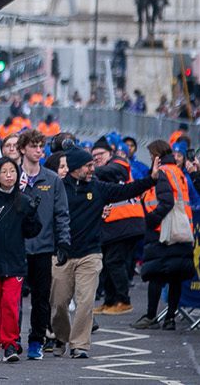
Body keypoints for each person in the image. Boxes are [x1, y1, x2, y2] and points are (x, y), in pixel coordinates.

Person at [54, 146, 155, 358]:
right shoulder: (58, 189)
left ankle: (79, 344)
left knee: (86, 301)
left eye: (93, 164)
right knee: (59, 303)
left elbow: (127, 190)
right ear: (74, 168)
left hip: (90, 254)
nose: (93, 168)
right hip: (62, 255)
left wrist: (151, 179)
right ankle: (61, 337)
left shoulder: (98, 188)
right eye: (88, 166)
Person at [0, 157, 41, 363]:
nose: (9, 176)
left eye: (12, 171)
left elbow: (33, 231)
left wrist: (31, 214)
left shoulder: (23, 200)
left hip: (15, 262)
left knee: (11, 305)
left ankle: (11, 344)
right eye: (4, 172)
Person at [11, 129, 70, 360]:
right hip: (16, 248)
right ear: (23, 148)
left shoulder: (52, 179)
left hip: (43, 248)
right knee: (13, 298)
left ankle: (36, 340)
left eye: (41, 146)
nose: (38, 150)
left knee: (41, 299)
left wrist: (64, 242)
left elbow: (61, 214)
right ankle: (12, 339)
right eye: (34, 146)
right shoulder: (11, 176)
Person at [134, 140, 195, 331]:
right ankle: (170, 318)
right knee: (175, 276)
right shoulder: (176, 171)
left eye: (152, 154)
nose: (150, 158)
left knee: (155, 274)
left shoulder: (163, 173)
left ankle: (151, 316)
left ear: (157, 156)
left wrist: (152, 219)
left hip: (163, 230)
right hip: (180, 229)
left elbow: (166, 201)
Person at [94, 139, 146, 316]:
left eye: (100, 155)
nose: (96, 159)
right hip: (115, 225)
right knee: (108, 263)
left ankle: (123, 300)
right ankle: (110, 301)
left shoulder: (119, 163)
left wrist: (90, 170)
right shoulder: (103, 173)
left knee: (113, 262)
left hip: (126, 222)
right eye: (93, 157)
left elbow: (118, 171)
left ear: (110, 153)